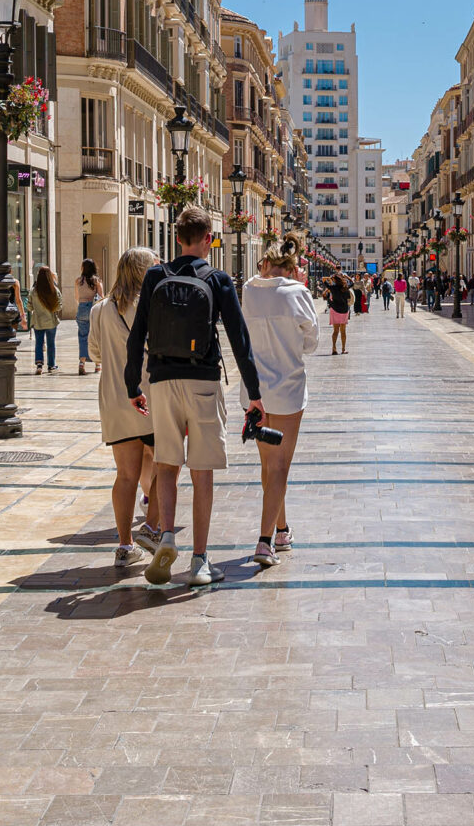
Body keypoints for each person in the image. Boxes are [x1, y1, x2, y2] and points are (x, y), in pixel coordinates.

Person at [123, 207, 263, 588]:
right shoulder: (217, 279)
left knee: (167, 465)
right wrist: (254, 393)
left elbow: (138, 335)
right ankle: (200, 561)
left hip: (162, 381)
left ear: (178, 237)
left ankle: (167, 536)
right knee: (202, 473)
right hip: (203, 381)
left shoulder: (155, 275)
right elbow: (239, 339)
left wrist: (132, 385)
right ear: (206, 239)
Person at [241, 250, 320, 565]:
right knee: (280, 467)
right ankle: (265, 540)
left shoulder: (247, 290)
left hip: (256, 393)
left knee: (269, 466)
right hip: (287, 390)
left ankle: (282, 528)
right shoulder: (298, 293)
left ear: (264, 265)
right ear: (291, 269)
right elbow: (311, 342)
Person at [91, 247, 160, 569]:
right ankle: (153, 528)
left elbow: (94, 354)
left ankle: (124, 544)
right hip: (151, 395)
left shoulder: (100, 309)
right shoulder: (151, 306)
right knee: (164, 465)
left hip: (115, 400)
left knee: (125, 476)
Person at [27, 266, 64, 373]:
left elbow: (29, 307)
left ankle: (39, 364)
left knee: (39, 342)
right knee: (51, 343)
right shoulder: (54, 290)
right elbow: (59, 306)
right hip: (51, 321)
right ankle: (51, 365)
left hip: (38, 321)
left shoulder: (34, 291)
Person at [74, 260, 102, 375]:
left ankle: (82, 363)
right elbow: (102, 297)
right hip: (93, 309)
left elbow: (76, 297)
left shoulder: (78, 281)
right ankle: (97, 364)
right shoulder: (96, 281)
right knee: (96, 336)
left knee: (82, 336)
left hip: (81, 308)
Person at [324, 269, 354, 354]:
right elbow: (352, 283)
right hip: (344, 310)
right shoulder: (345, 287)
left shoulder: (333, 288)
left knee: (335, 330)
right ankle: (343, 349)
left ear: (335, 280)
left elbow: (325, 283)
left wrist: (330, 278)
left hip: (335, 309)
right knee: (343, 331)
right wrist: (346, 276)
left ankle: (334, 348)